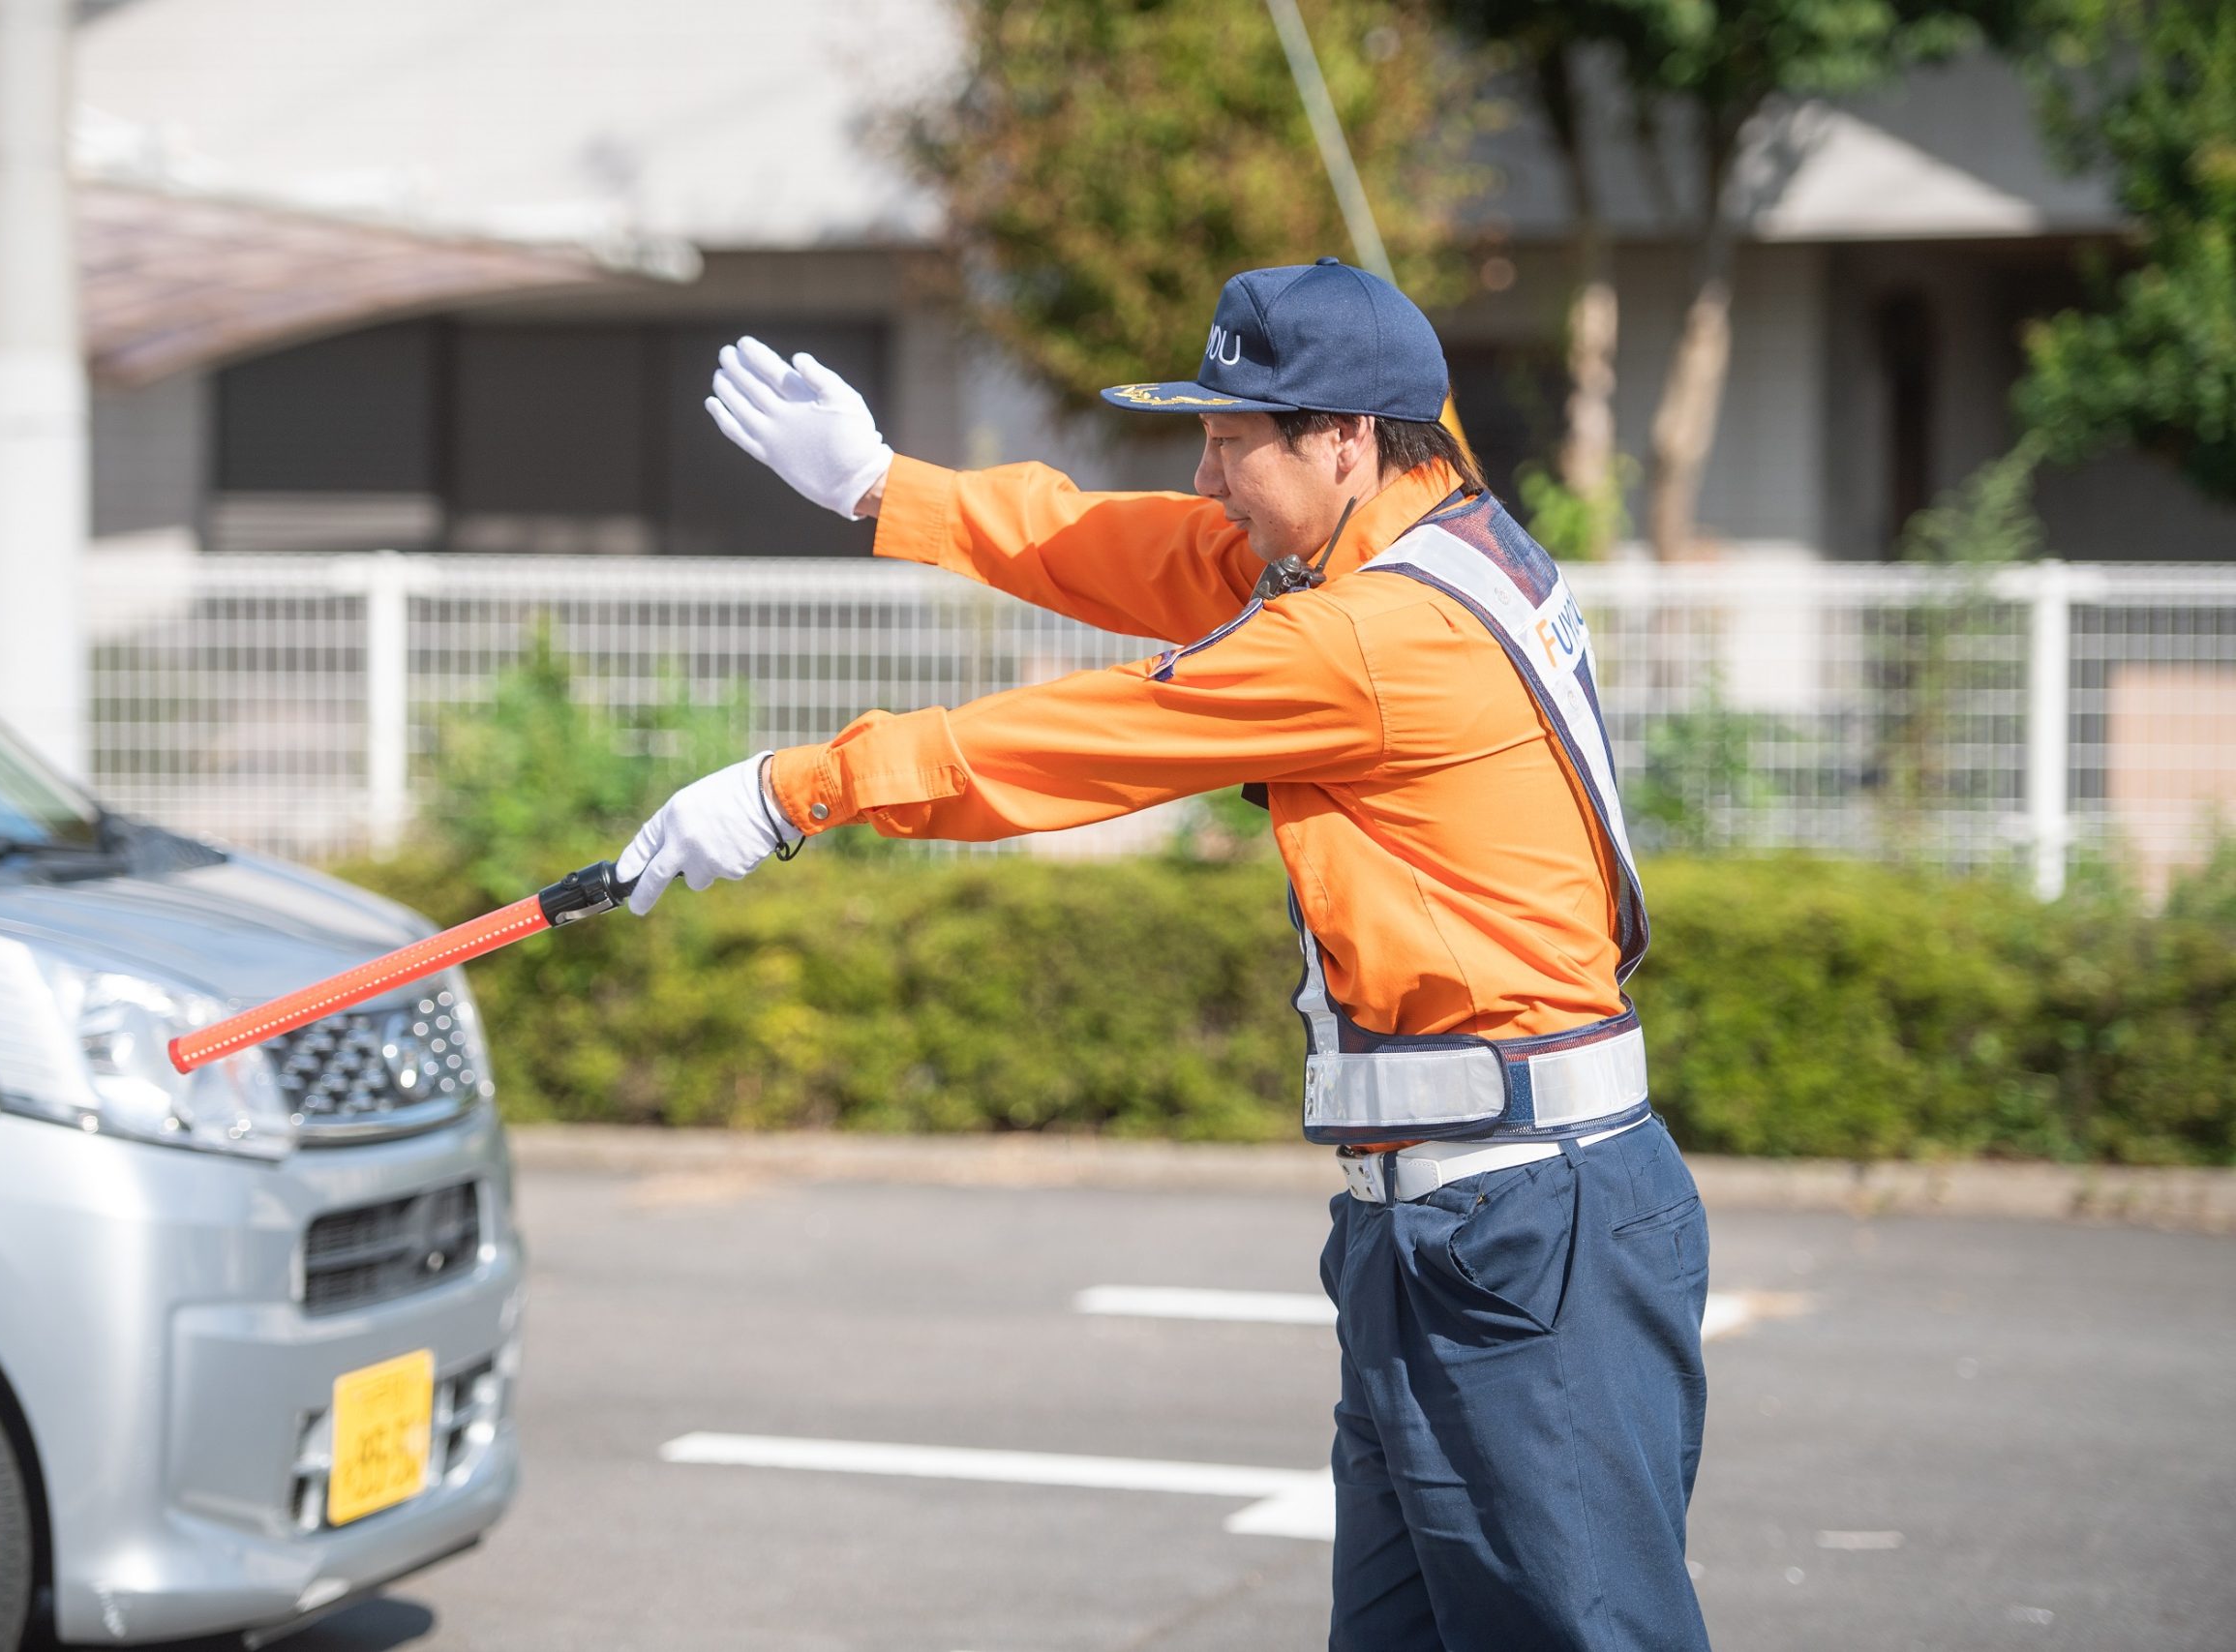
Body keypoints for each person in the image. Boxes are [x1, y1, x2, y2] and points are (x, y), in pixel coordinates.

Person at [618, 257, 1711, 1652]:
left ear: (1344, 440)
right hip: (1460, 1231)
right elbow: (1140, 552)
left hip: (1519, 1232)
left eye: (1230, 440)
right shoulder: (1418, 542)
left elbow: (1099, 735)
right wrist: (886, 488)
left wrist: (799, 789)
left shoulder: (1375, 635)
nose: (1206, 477)